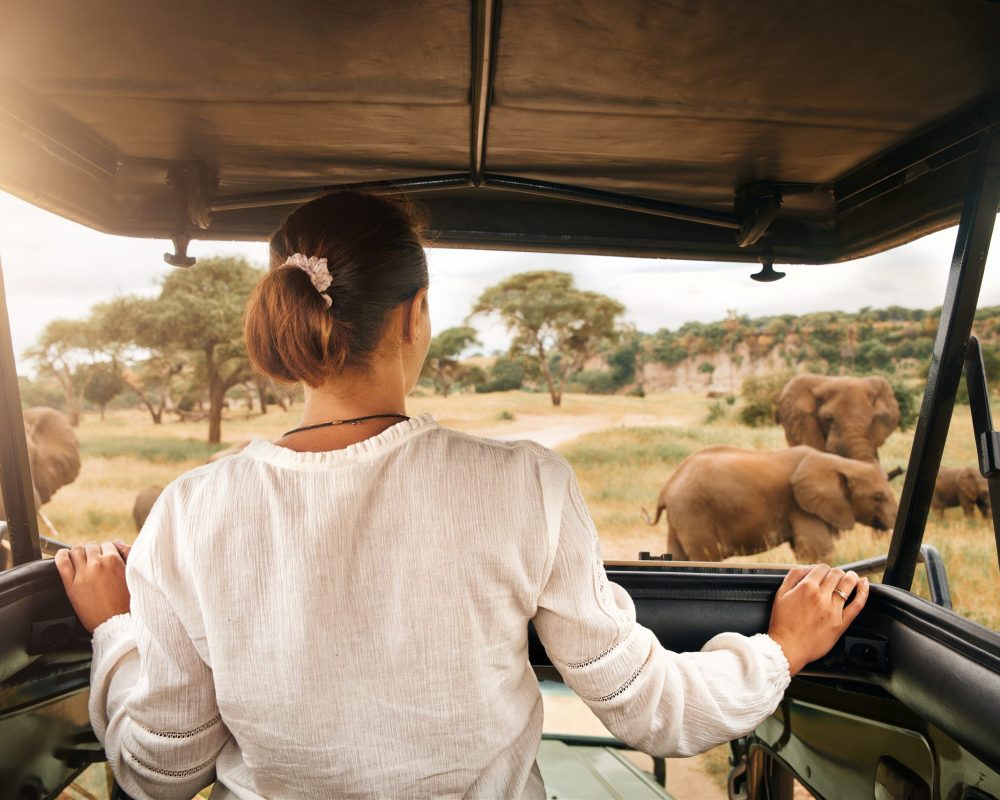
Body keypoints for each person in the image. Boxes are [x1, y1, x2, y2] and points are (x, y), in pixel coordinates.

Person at [55, 191, 869, 800]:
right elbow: (652, 710)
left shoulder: (191, 512)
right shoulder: (523, 484)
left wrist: (117, 628)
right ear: (415, 317)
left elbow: (159, 770)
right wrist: (782, 649)